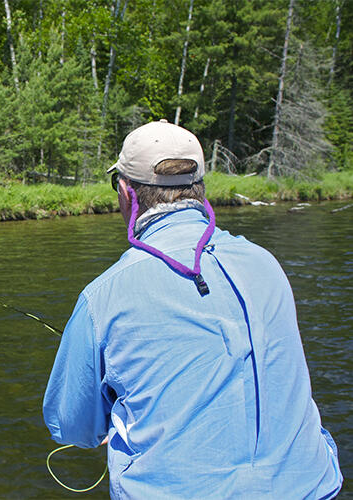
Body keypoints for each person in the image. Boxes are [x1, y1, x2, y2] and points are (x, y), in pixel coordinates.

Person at [43, 120, 343, 499]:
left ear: (124, 192)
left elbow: (71, 426)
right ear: (199, 189)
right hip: (312, 487)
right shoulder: (265, 263)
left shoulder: (104, 296)